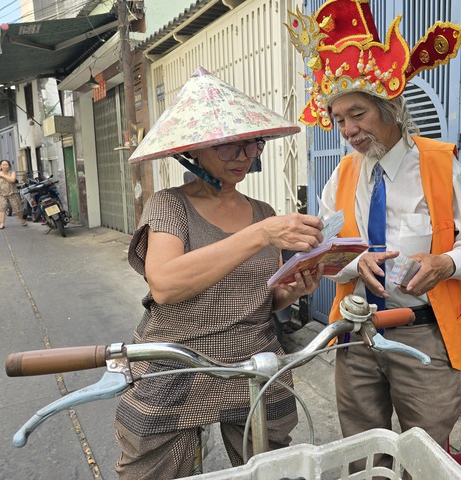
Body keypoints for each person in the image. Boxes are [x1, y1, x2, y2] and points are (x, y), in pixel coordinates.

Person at [287, 0, 461, 469]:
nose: (349, 130)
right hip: (355, 335)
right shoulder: (341, 175)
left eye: (358, 114)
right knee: (363, 456)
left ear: (391, 107)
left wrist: (445, 263)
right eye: (339, 119)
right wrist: (349, 263)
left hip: (422, 335)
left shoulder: (439, 165)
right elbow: (325, 252)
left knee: (426, 457)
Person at [114, 67, 325, 479]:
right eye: (231, 147)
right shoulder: (169, 205)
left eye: (253, 145)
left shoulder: (261, 211)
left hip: (254, 361)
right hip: (177, 363)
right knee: (148, 468)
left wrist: (292, 290)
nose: (246, 157)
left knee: (271, 469)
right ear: (195, 151)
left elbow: (263, 298)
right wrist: (260, 235)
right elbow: (166, 284)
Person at [0, 159, 27, 229]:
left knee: (17, 208)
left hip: (13, 193)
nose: (5, 166)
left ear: (9, 166)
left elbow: (12, 180)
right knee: (1, 209)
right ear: (1, 166)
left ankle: (22, 220)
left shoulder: (12, 172)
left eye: (6, 165)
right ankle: (2, 224)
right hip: (2, 194)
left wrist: (2, 175)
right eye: (3, 165)